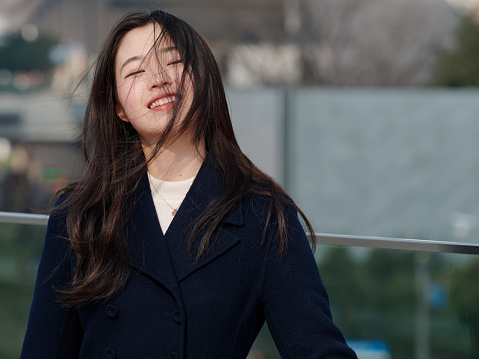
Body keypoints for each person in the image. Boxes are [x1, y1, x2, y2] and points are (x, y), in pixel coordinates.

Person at [21, 10, 357, 359]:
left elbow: (318, 349)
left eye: (174, 61)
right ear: (119, 107)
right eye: (135, 71)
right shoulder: (79, 212)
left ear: (203, 76)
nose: (158, 79)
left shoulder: (262, 214)